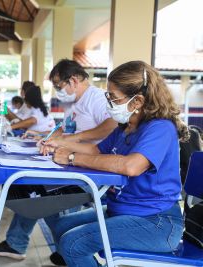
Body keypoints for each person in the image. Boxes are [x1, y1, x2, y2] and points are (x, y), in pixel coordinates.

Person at [45, 60, 187, 266]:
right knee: (62, 226)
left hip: (156, 222)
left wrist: (72, 157)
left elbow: (132, 166)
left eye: (113, 97)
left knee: (72, 243)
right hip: (123, 209)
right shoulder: (126, 127)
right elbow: (96, 150)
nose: (109, 102)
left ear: (137, 101)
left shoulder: (160, 128)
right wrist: (60, 147)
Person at [0, 59, 117, 265]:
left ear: (74, 80)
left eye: (59, 86)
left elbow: (111, 126)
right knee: (34, 189)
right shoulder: (76, 102)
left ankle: (60, 246)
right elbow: (65, 128)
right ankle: (48, 245)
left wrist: (73, 139)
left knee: (40, 194)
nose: (59, 91)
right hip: (72, 162)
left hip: (89, 167)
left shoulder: (96, 98)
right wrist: (50, 138)